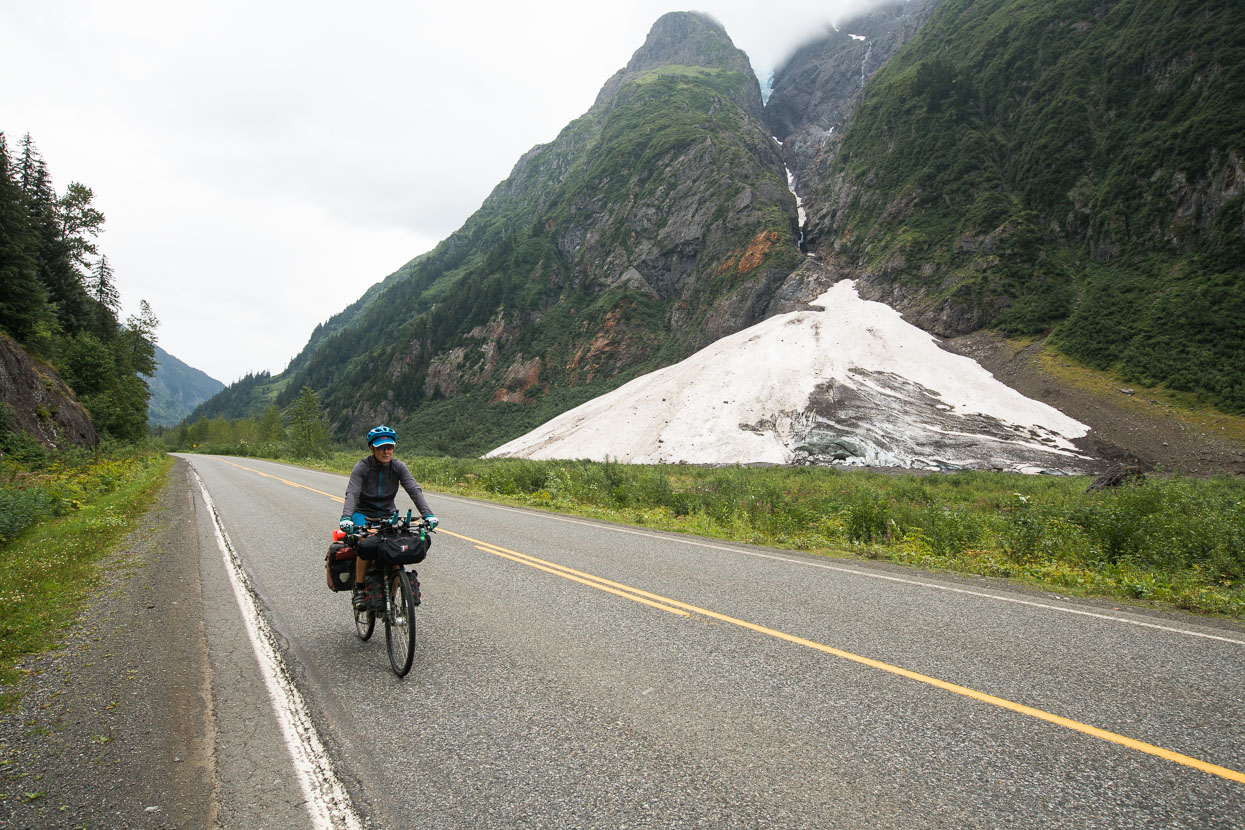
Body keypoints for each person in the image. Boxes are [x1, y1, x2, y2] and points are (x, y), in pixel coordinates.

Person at [340, 425, 439, 610]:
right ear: (372, 449)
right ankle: (360, 589)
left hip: (388, 515)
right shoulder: (362, 467)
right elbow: (352, 493)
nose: (386, 451)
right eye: (381, 447)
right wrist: (347, 518)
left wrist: (429, 515)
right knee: (365, 543)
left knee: (397, 550)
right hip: (363, 515)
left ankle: (390, 600)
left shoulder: (398, 467)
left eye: (389, 447)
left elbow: (414, 490)